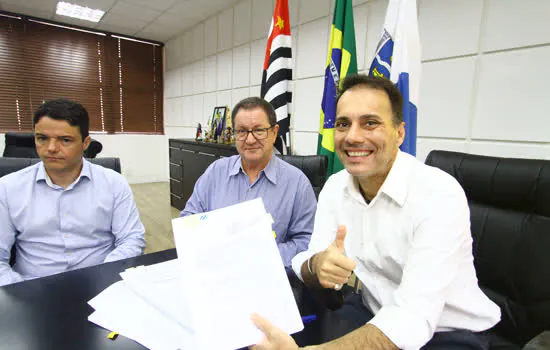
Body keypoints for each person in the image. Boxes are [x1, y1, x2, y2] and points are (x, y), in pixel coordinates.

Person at [250, 75, 501, 349]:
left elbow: (412, 319)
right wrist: (317, 264)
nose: (354, 137)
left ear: (400, 133)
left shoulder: (438, 193)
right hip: (375, 314)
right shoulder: (336, 186)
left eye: (370, 123)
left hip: (450, 334)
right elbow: (306, 260)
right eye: (344, 124)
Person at [0, 98, 145, 286]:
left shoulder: (113, 183)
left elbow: (131, 239)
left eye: (65, 140)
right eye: (42, 138)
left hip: (100, 282)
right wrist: (20, 290)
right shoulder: (8, 187)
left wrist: (105, 277)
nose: (51, 148)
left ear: (85, 143)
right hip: (32, 286)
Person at [181, 97, 316, 268]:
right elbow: (188, 219)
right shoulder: (216, 172)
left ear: (274, 133)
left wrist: (259, 255)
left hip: (269, 276)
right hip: (216, 269)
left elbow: (306, 241)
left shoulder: (297, 183)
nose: (250, 140)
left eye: (259, 130)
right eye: (242, 131)